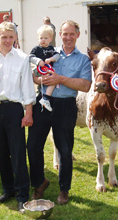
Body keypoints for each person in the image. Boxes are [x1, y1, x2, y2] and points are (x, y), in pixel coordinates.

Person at [27, 20, 91, 205]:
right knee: (33, 145)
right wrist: (39, 80)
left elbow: (85, 85)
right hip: (44, 102)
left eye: (72, 34)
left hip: (65, 105)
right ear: (59, 35)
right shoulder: (47, 52)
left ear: (77, 35)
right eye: (65, 33)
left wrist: (60, 79)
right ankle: (39, 182)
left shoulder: (83, 59)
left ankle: (64, 189)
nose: (68, 37)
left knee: (64, 149)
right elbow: (35, 74)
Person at [0, 21, 36, 212]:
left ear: (15, 37)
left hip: (14, 110)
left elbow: (27, 88)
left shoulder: (22, 58)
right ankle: (8, 190)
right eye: (3, 37)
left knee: (18, 154)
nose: (7, 40)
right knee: (1, 153)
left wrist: (28, 113)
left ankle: (23, 195)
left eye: (10, 37)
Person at [29, 25, 60, 111]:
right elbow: (30, 57)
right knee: (46, 82)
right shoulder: (36, 49)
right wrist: (38, 61)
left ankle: (45, 98)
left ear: (50, 39)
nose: (43, 40)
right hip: (38, 71)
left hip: (48, 71)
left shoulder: (51, 48)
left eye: (46, 38)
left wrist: (51, 59)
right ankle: (43, 98)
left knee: (53, 82)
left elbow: (58, 55)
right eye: (41, 38)